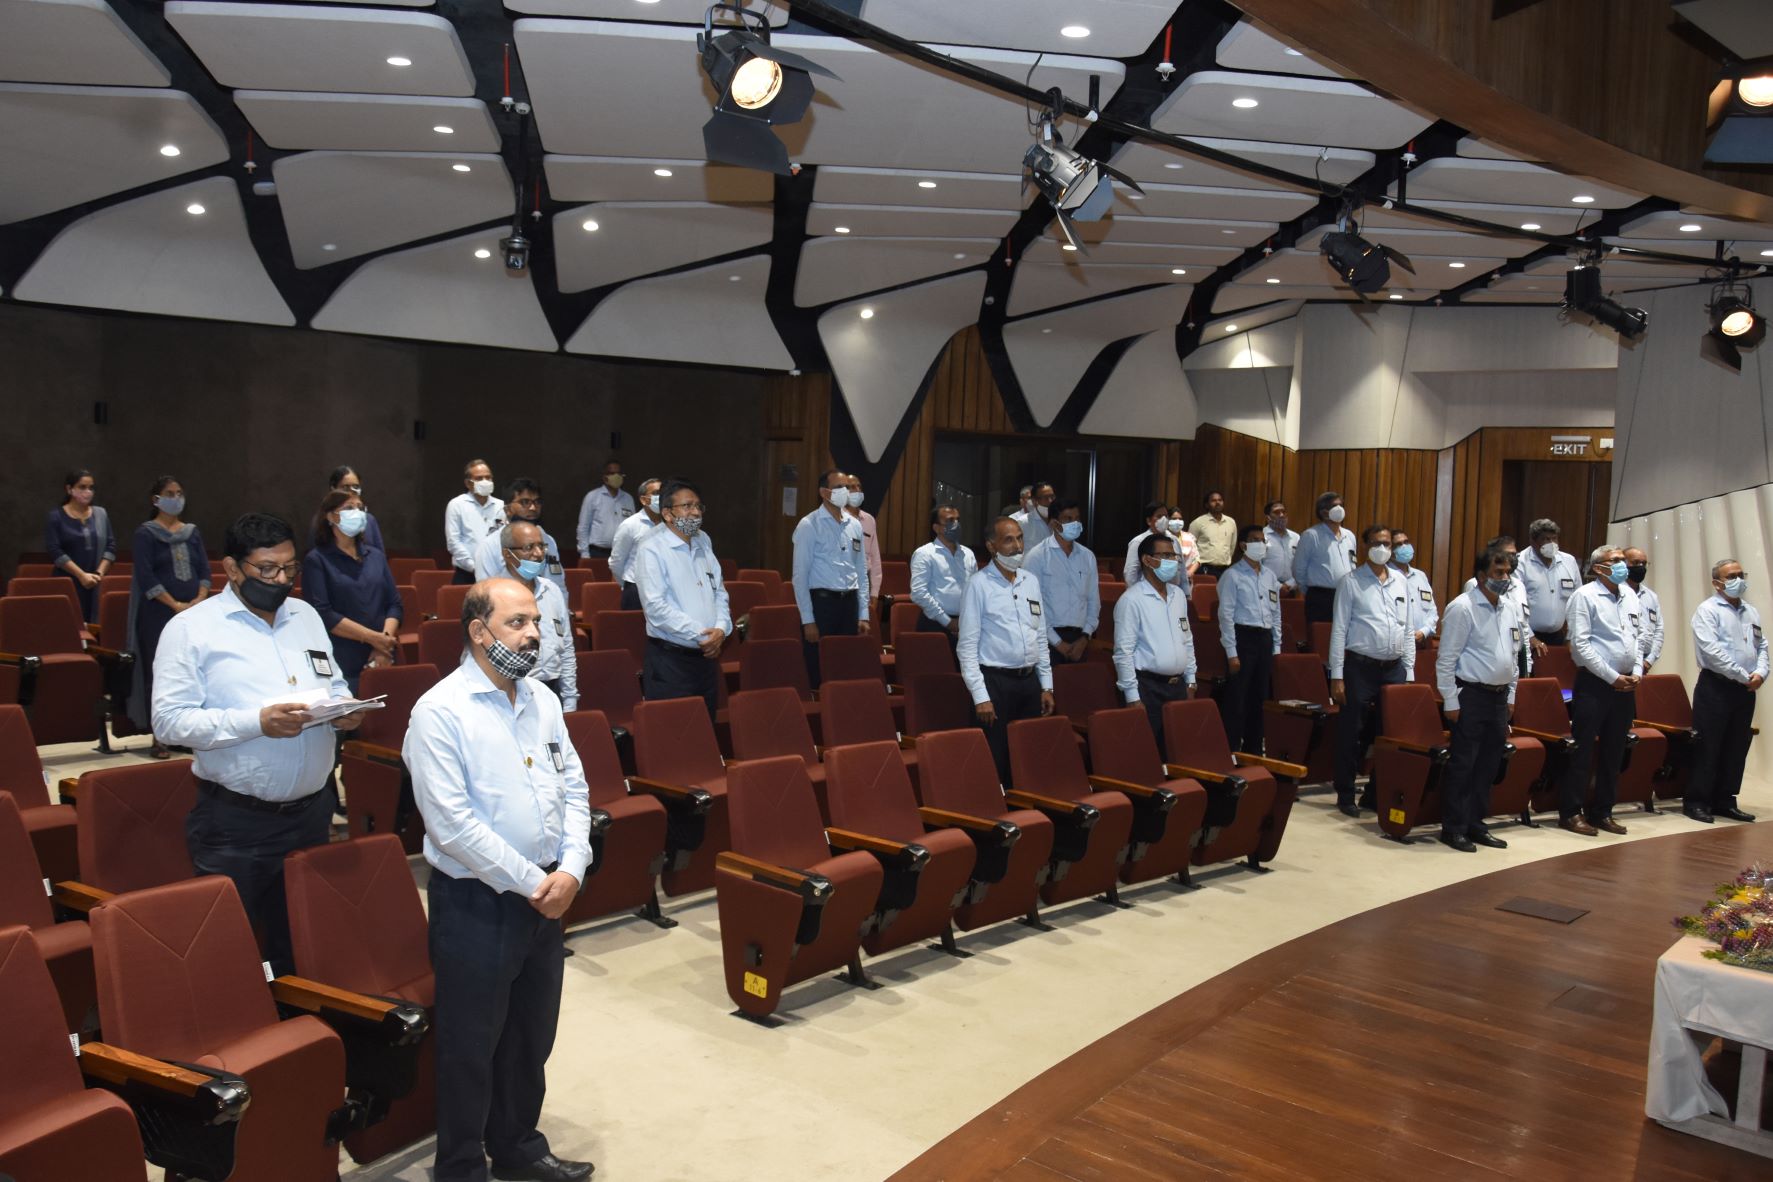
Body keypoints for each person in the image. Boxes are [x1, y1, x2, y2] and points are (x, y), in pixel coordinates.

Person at [404, 579, 595, 1182]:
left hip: (547, 895)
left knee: (530, 1037)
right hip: (478, 902)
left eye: (535, 621)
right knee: (470, 1047)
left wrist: (571, 867)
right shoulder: (439, 711)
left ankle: (517, 1147)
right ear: (478, 631)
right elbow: (452, 827)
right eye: (517, 623)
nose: (533, 634)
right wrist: (537, 883)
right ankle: (461, 1168)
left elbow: (575, 788)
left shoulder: (541, 699)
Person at [152, 512, 359, 975]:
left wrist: (344, 708)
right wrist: (257, 723)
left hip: (312, 813)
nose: (281, 580)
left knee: (302, 946)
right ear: (232, 568)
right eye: (267, 569)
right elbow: (168, 722)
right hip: (237, 823)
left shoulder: (305, 616)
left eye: (289, 568)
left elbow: (332, 682)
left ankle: (295, 1015)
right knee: (231, 954)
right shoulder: (191, 629)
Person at [1434, 547, 1523, 852]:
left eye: (1508, 572)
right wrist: (1450, 701)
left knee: (1488, 765)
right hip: (1470, 695)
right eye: (1499, 572)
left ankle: (1476, 824)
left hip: (1499, 698)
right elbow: (1446, 659)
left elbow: (1514, 655)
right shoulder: (1462, 607)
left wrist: (1511, 695)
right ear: (1482, 575)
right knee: (1464, 764)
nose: (1505, 577)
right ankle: (1454, 828)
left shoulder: (1509, 607)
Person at [958, 517, 1054, 787]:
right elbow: (966, 648)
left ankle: (1025, 810)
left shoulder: (1031, 581)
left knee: (1028, 760)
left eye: (1020, 538)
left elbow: (1040, 636)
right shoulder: (977, 585)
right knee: (995, 762)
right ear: (992, 546)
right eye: (1009, 540)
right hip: (994, 684)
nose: (1018, 546)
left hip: (1029, 682)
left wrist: (1046, 685)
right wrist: (980, 697)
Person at [1328, 524, 1412, 818]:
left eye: (1387, 543)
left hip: (1394, 668)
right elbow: (1339, 630)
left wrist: (1409, 673)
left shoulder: (1401, 581)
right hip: (1360, 668)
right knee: (1352, 732)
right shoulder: (1351, 582)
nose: (1383, 548)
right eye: (1377, 543)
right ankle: (1346, 793)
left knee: (1391, 734)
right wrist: (1336, 675)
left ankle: (1375, 794)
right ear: (1365, 546)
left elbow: (1408, 628)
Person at [1559, 546, 1642, 837]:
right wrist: (1612, 677)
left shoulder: (1630, 595)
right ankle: (1571, 812)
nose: (1623, 565)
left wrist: (1637, 671)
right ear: (1598, 568)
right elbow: (1580, 645)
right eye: (1615, 561)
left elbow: (1637, 638)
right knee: (1582, 750)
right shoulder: (1584, 596)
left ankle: (1603, 811)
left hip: (1625, 684)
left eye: (1623, 560)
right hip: (1595, 684)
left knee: (1614, 751)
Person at [634, 479, 730, 721]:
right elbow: (656, 608)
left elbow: (719, 592)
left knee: (705, 730)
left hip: (707, 660)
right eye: (687, 506)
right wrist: (704, 636)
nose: (696, 512)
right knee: (673, 733)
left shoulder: (703, 541)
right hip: (671, 663)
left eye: (698, 506)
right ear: (667, 514)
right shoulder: (651, 547)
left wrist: (721, 629)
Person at [128, 477, 210, 759]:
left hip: (193, 613)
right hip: (158, 613)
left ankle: (184, 733)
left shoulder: (191, 532)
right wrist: (175, 605)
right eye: (169, 494)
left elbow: (204, 571)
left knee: (192, 671)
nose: (176, 498)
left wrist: (198, 600)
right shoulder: (146, 533)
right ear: (156, 500)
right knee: (160, 672)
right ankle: (159, 737)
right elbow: (146, 575)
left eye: (179, 493)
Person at [1687, 558, 1764, 824]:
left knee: (1736, 746)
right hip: (1715, 686)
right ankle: (1697, 801)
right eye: (1731, 576)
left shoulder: (1751, 611)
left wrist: (1761, 672)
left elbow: (1762, 646)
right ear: (1717, 583)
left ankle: (1725, 800)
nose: (1738, 580)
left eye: (1741, 574)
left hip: (1745, 690)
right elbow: (1712, 652)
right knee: (1708, 746)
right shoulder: (1707, 611)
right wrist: (1744, 676)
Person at [301, 489, 401, 695]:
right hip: (343, 656)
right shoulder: (317, 560)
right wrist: (373, 638)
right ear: (331, 517)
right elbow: (323, 613)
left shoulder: (376, 556)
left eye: (360, 508)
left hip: (382, 654)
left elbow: (394, 604)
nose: (357, 513)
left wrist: (382, 642)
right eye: (349, 508)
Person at [1114, 532, 1196, 758]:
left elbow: (1187, 640)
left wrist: (1191, 680)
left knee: (1178, 753)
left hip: (1177, 687)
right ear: (1147, 560)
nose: (1172, 561)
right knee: (1147, 755)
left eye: (1174, 556)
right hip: (1147, 688)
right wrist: (1132, 697)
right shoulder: (1132, 600)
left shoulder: (1178, 595)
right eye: (1165, 556)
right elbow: (1123, 653)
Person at [792, 469, 871, 688]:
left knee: (845, 668)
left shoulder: (855, 525)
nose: (845, 491)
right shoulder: (809, 525)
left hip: (849, 604)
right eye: (839, 487)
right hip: (822, 605)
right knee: (819, 669)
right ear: (824, 492)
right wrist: (808, 620)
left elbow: (861, 571)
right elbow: (800, 576)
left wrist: (863, 614)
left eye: (847, 487)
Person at [497, 521, 578, 713]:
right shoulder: (493, 595)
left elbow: (566, 647)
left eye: (541, 546)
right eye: (529, 547)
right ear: (507, 554)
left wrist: (569, 699)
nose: (538, 553)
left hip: (553, 689)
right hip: (511, 693)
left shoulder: (552, 591)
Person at [1217, 524, 1281, 755]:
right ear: (1244, 545)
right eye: (1255, 540)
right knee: (1238, 697)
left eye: (1263, 540)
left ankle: (1253, 750)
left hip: (1264, 639)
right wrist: (1231, 653)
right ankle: (1231, 749)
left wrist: (1277, 646)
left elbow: (1276, 613)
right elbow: (1225, 615)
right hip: (1242, 638)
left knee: (1260, 697)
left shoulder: (1270, 576)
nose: (1261, 544)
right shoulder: (1232, 575)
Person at [1022, 498, 1099, 667]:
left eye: (1077, 518)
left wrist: (1085, 637)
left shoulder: (1088, 557)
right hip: (1047, 639)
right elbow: (1031, 606)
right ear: (1054, 523)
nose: (1075, 523)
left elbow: (1093, 601)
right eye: (1068, 519)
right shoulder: (1036, 557)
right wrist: (1058, 643)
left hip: (1081, 639)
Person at [476, 479, 567, 601]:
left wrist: (562, 610)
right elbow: (486, 594)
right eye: (525, 502)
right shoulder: (490, 545)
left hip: (547, 608)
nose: (533, 507)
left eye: (537, 502)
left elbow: (558, 585)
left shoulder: (548, 540)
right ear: (507, 510)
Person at [45, 468, 115, 621]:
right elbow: (55, 551)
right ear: (69, 489)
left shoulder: (100, 514)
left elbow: (110, 547)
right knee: (67, 625)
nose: (87, 492)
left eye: (91, 488)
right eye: (82, 487)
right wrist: (81, 575)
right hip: (68, 583)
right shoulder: (56, 517)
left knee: (95, 627)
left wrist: (98, 575)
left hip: (96, 583)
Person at [909, 503, 975, 645]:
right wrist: (947, 622)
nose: (956, 524)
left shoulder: (968, 554)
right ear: (936, 528)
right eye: (950, 521)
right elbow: (918, 593)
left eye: (957, 520)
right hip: (935, 624)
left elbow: (975, 589)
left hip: (965, 625)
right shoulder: (925, 553)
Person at [1294, 491, 1355, 626]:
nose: (1339, 509)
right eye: (1334, 506)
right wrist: (1310, 591)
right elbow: (1299, 569)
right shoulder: (1311, 535)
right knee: (1321, 634)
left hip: (1345, 594)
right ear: (1323, 512)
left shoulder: (1349, 536)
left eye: (1341, 505)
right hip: (1320, 597)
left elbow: (1353, 564)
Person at [1519, 518, 1581, 646]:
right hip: (1527, 635)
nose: (1551, 543)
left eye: (1554, 538)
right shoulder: (1520, 562)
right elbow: (1515, 603)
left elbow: (1578, 601)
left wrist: (1572, 635)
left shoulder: (1569, 561)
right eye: (1546, 539)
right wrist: (1530, 637)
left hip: (1558, 636)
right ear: (1533, 541)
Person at [610, 477, 664, 612]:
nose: (662, 497)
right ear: (643, 500)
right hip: (636, 590)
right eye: (656, 493)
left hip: (664, 589)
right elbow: (616, 562)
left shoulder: (670, 524)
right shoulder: (630, 525)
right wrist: (628, 583)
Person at [447, 459, 505, 584]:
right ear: (468, 483)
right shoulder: (457, 505)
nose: (485, 481)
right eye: (479, 478)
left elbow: (504, 539)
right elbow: (453, 543)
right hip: (467, 574)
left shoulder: (500, 506)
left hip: (496, 574)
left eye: (488, 477)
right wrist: (474, 567)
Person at [1389, 529, 1438, 651]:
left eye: (1406, 542)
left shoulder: (1420, 576)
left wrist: (1424, 631)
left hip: (1423, 643)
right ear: (1390, 551)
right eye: (1398, 544)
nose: (1404, 547)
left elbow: (1432, 610)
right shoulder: (1386, 576)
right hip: (1396, 645)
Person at [576, 458, 634, 560]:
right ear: (604, 477)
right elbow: (583, 527)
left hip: (622, 553)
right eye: (612, 473)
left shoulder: (628, 499)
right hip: (597, 553)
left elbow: (633, 528)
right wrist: (584, 553)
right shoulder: (592, 497)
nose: (616, 476)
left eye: (619, 473)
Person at [844, 473, 883, 609]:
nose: (857, 490)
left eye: (859, 486)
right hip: (842, 582)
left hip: (864, 582)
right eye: (851, 487)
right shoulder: (837, 519)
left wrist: (875, 593)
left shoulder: (869, 520)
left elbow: (875, 557)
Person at [1623, 547, 1664, 672]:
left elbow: (1659, 630)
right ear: (1623, 564)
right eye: (1635, 562)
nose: (1640, 567)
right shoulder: (1616, 592)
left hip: (1645, 661)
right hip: (1621, 660)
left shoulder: (1651, 596)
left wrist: (1649, 660)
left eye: (1644, 563)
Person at [328, 465, 385, 552]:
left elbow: (380, 556)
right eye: (345, 487)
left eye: (356, 487)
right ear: (333, 489)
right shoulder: (325, 519)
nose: (352, 491)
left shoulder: (369, 520)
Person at [1188, 489, 1237, 578]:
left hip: (1225, 569)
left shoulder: (1231, 522)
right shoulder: (1198, 523)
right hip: (1204, 569)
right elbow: (1190, 547)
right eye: (1213, 501)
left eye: (1220, 500)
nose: (1217, 503)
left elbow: (1232, 547)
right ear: (1207, 505)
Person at [1122, 502, 1173, 585]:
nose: (1164, 519)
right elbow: (1130, 574)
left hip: (1172, 590)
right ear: (1149, 520)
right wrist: (1135, 592)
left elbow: (1181, 572)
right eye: (1159, 516)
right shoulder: (1138, 542)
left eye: (1166, 516)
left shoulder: (1174, 540)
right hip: (1146, 590)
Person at [1262, 499, 1299, 595]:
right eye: (1276, 512)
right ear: (1268, 518)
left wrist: (1290, 584)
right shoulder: (1261, 536)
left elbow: (1300, 565)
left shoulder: (1295, 537)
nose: (1281, 515)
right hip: (1267, 588)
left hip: (1291, 588)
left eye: (1283, 512)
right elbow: (1257, 566)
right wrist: (1278, 586)